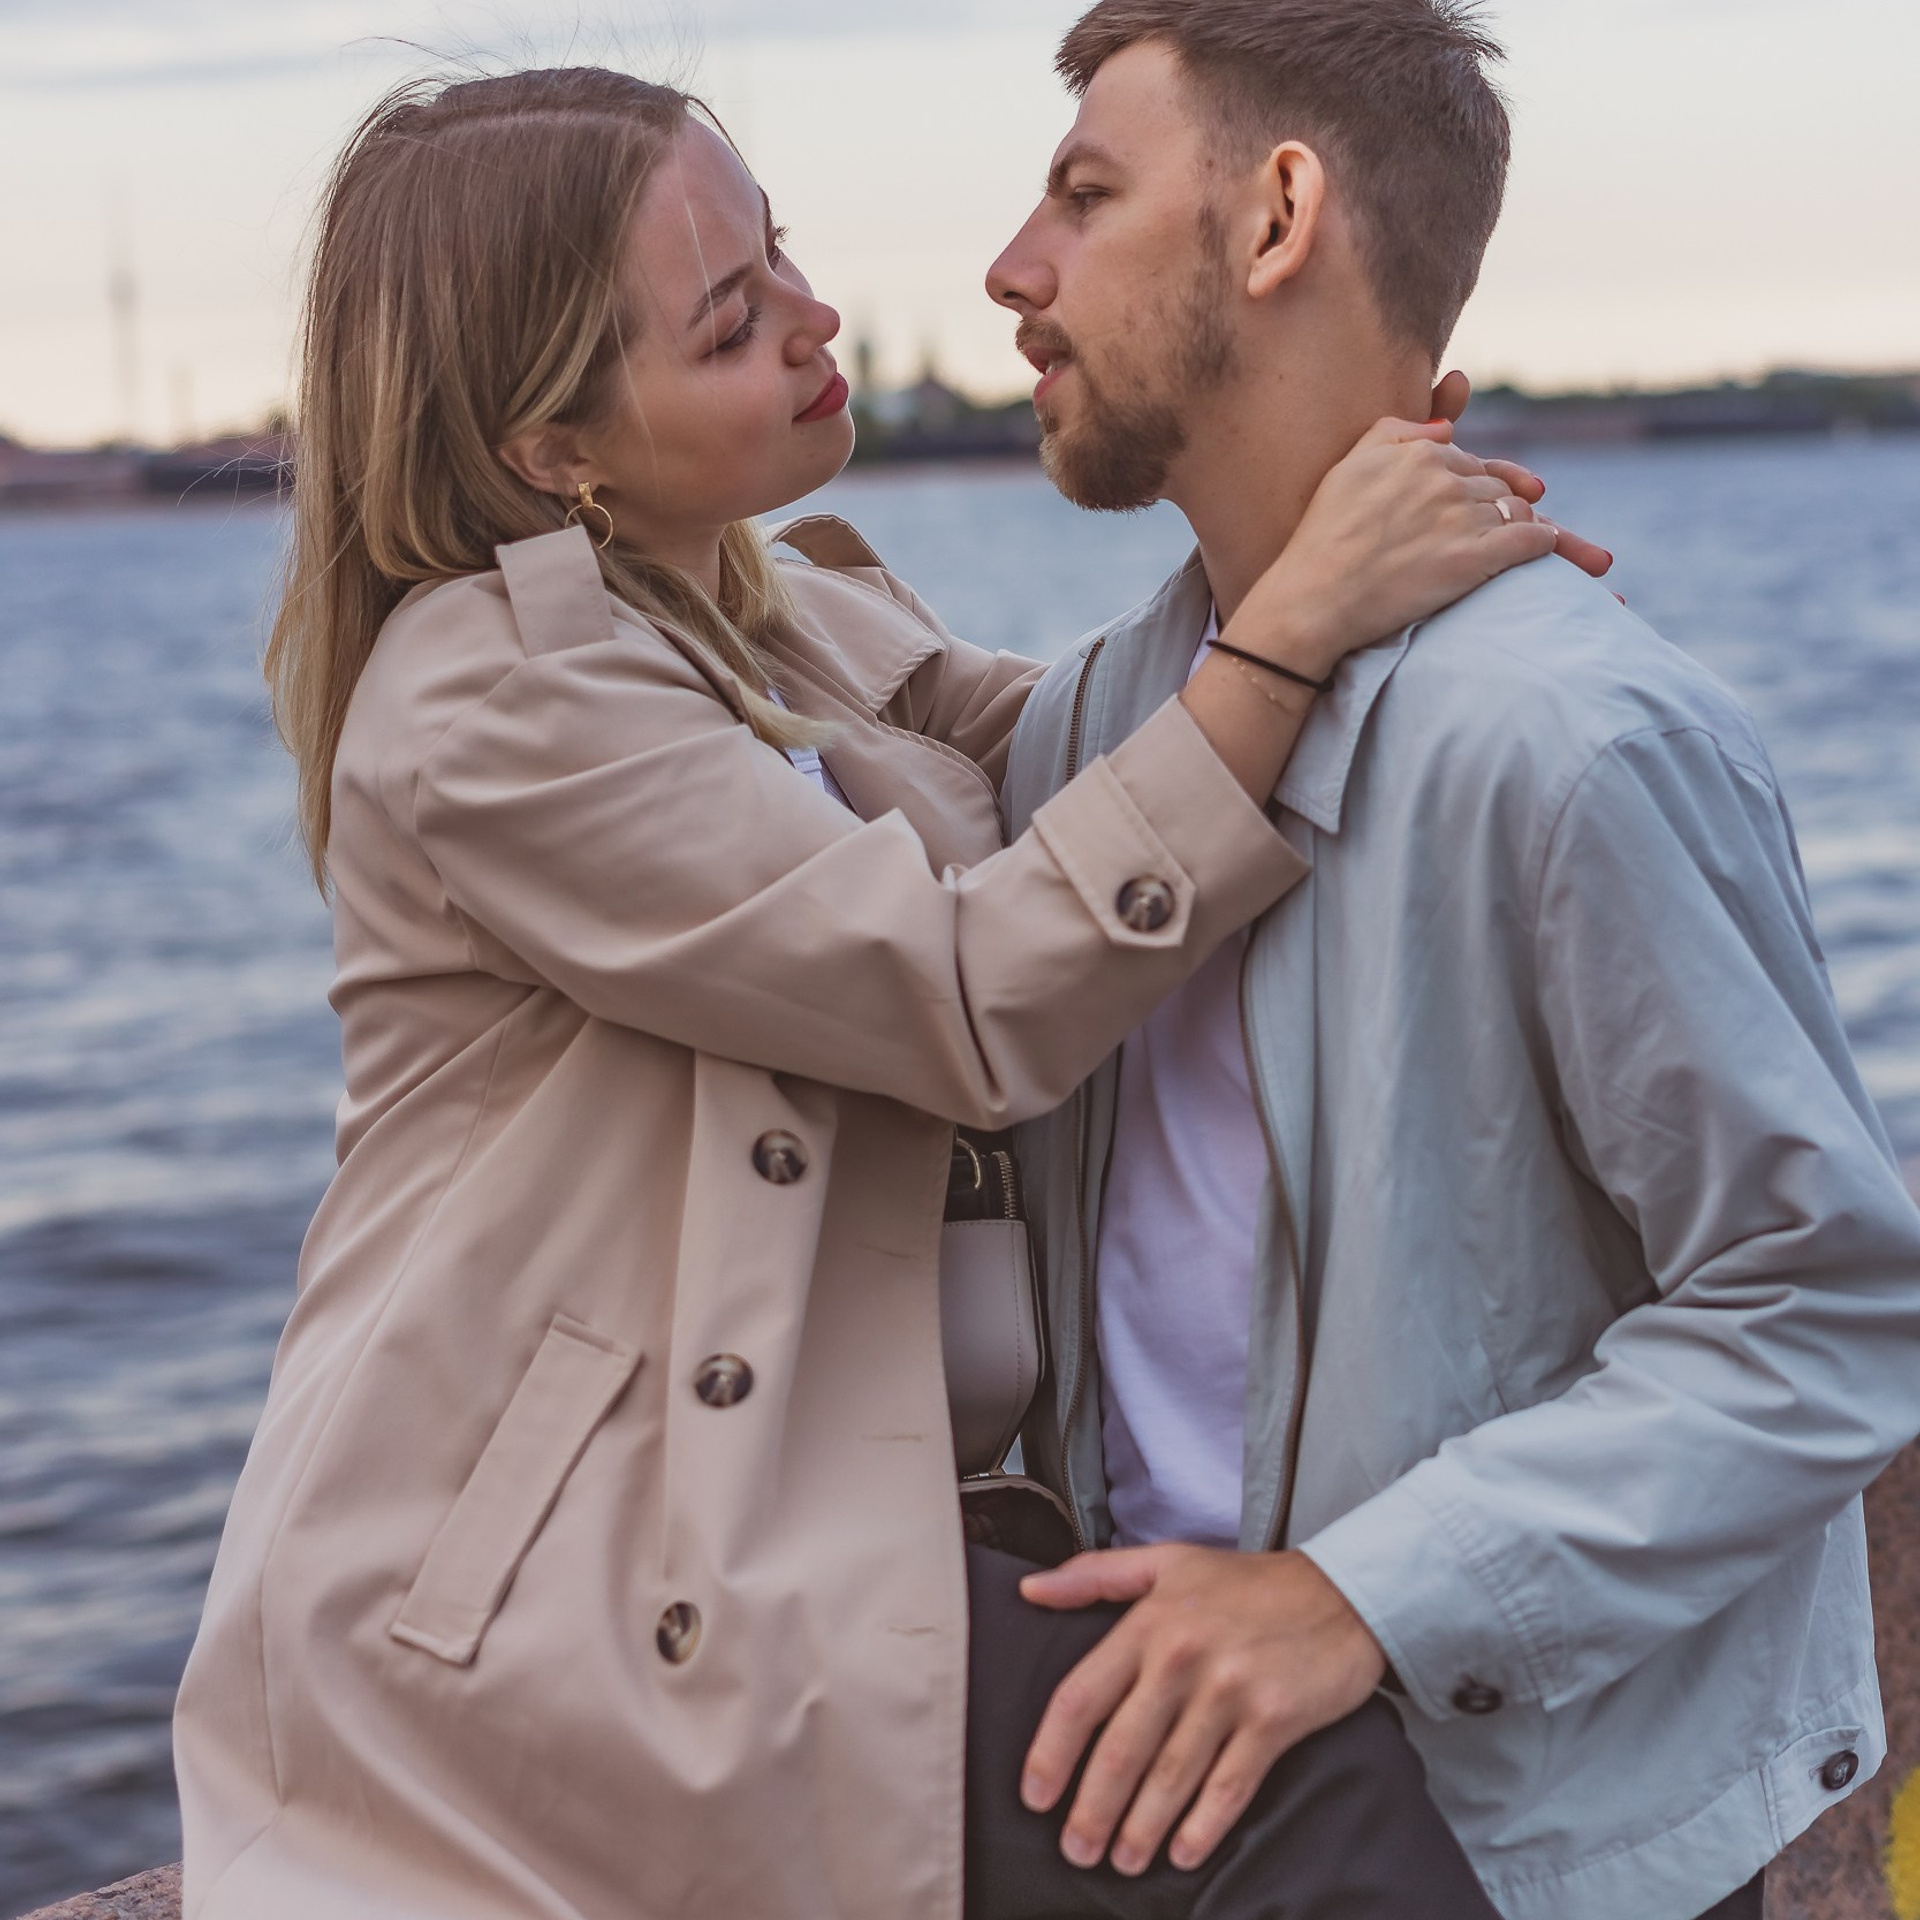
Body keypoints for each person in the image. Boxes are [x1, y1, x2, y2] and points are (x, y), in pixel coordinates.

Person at [169, 63, 1599, 1920]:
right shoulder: (489, 708)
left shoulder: (785, 608)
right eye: (729, 319)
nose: (816, 319)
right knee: (1281, 1793)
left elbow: (1097, 764)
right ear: (552, 450)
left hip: (810, 1524)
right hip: (561, 1592)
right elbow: (968, 989)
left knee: (1259, 1747)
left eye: (784, 257)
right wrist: (1299, 617)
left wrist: (1337, 517)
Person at [993, 6, 1920, 1920]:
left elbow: (1830, 1307)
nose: (1014, 268)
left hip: (1534, 1853)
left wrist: (1359, 1598)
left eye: (1085, 194)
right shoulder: (1081, 731)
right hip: (1156, 1807)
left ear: (1277, 220)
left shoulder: (1574, 738)